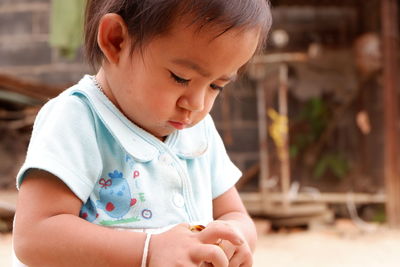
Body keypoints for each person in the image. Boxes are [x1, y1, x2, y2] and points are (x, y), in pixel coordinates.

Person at [13, 0, 272, 266]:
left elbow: (234, 215)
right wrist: (149, 250)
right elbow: (34, 236)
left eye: (216, 86)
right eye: (180, 77)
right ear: (116, 41)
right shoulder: (77, 119)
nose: (197, 104)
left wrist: (235, 238)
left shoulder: (198, 131)